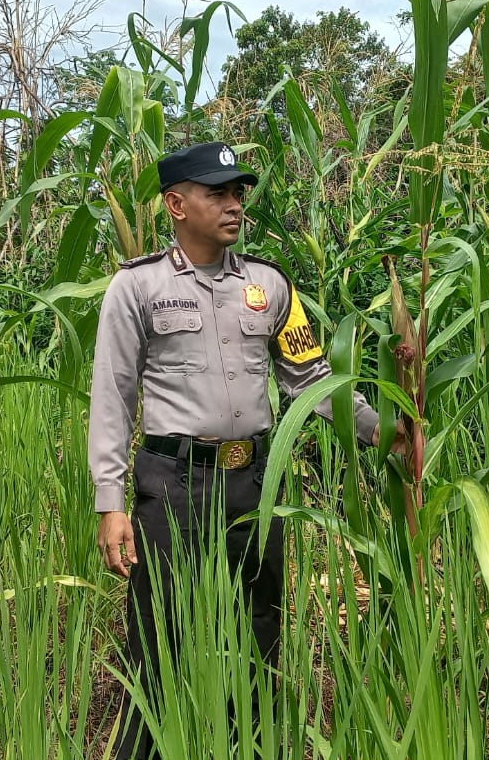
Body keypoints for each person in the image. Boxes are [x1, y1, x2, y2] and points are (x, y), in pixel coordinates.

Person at [89, 141, 403, 759]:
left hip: (257, 482)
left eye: (239, 194)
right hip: (172, 484)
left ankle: (250, 747)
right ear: (176, 204)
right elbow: (113, 394)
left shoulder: (269, 286)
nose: (235, 205)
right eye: (218, 194)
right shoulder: (138, 288)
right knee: (159, 636)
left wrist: (380, 429)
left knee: (259, 631)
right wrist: (110, 500)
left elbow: (312, 381)